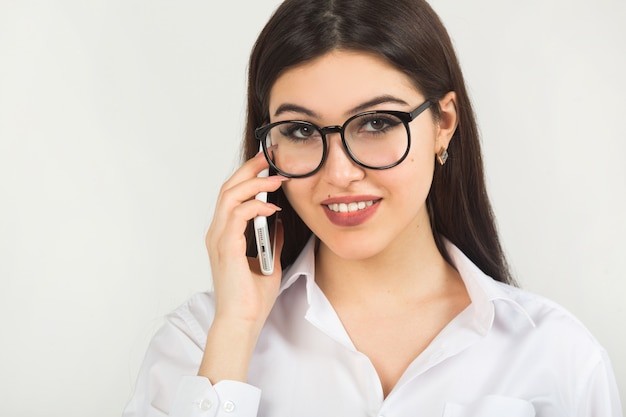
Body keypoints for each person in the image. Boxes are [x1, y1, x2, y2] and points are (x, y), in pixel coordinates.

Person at [123, 0, 622, 415]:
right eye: (300, 131)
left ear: (443, 123)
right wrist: (234, 330)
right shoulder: (199, 341)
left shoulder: (556, 355)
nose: (339, 173)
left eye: (378, 124)